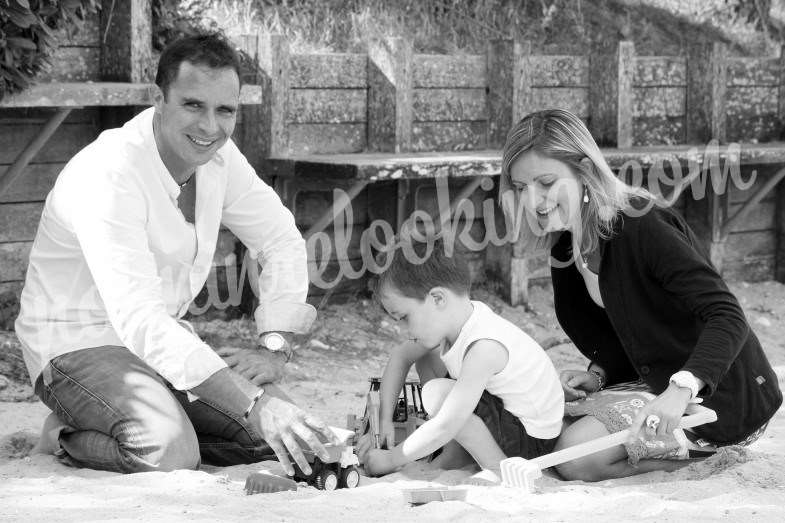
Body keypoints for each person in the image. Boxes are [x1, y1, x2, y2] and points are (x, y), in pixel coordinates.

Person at [14, 33, 339, 476]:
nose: (209, 126)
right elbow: (139, 320)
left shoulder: (220, 159)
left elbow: (281, 240)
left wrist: (274, 347)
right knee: (170, 452)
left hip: (160, 342)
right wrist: (253, 404)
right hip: (77, 342)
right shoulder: (110, 173)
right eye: (193, 105)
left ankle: (160, 418)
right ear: (159, 99)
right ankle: (64, 435)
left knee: (282, 440)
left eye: (224, 110)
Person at [498, 108, 783, 481]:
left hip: (713, 391)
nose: (534, 200)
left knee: (573, 458)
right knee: (536, 426)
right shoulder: (566, 247)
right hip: (650, 380)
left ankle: (711, 455)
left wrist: (681, 389)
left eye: (546, 182)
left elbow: (726, 314)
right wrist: (599, 374)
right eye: (521, 187)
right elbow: (630, 327)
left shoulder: (641, 224)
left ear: (585, 170)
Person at [357, 238, 564, 482]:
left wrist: (392, 458)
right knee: (426, 358)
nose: (405, 329)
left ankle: (496, 467)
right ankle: (457, 457)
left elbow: (447, 423)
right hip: (507, 416)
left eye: (404, 317)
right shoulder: (457, 319)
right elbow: (401, 356)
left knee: (437, 394)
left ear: (437, 299)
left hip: (530, 439)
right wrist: (385, 423)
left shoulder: (483, 347)